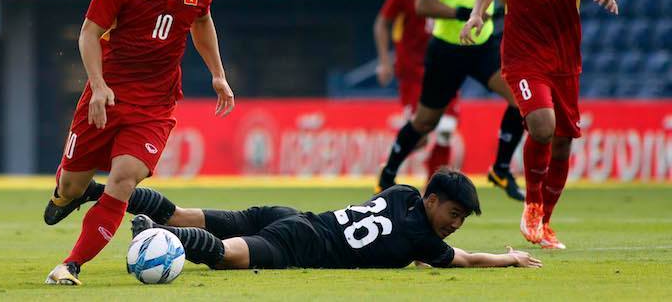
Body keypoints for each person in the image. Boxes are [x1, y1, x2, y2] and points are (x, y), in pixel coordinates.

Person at [44, 0, 235, 285]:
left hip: (155, 104)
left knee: (124, 178)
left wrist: (217, 73)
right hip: (107, 97)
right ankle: (71, 194)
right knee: (70, 185)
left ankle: (70, 265)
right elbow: (89, 34)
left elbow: (201, 22)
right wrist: (97, 87)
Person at [461, 0, 618, 250]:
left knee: (563, 142)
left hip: (565, 58)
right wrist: (477, 13)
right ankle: (531, 207)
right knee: (543, 126)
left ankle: (544, 220)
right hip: (521, 55)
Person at [377, 0, 526, 201]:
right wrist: (464, 13)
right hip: (447, 50)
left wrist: (504, 11)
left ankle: (499, 168)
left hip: (482, 46)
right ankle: (388, 174)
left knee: (521, 100)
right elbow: (423, 4)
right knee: (425, 122)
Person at [128, 170, 542, 270]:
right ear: (432, 201)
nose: (456, 225)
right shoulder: (424, 241)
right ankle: (159, 236)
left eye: (462, 219)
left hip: (295, 215)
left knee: (188, 214)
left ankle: (107, 195)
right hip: (303, 244)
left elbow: (391, 227)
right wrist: (509, 259)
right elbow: (464, 260)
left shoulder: (400, 194)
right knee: (225, 255)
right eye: (454, 214)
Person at [374, 0, 460, 186]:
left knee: (445, 130)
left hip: (446, 69)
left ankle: (436, 188)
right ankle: (391, 164)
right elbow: (382, 23)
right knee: (420, 135)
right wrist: (384, 61)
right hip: (413, 72)